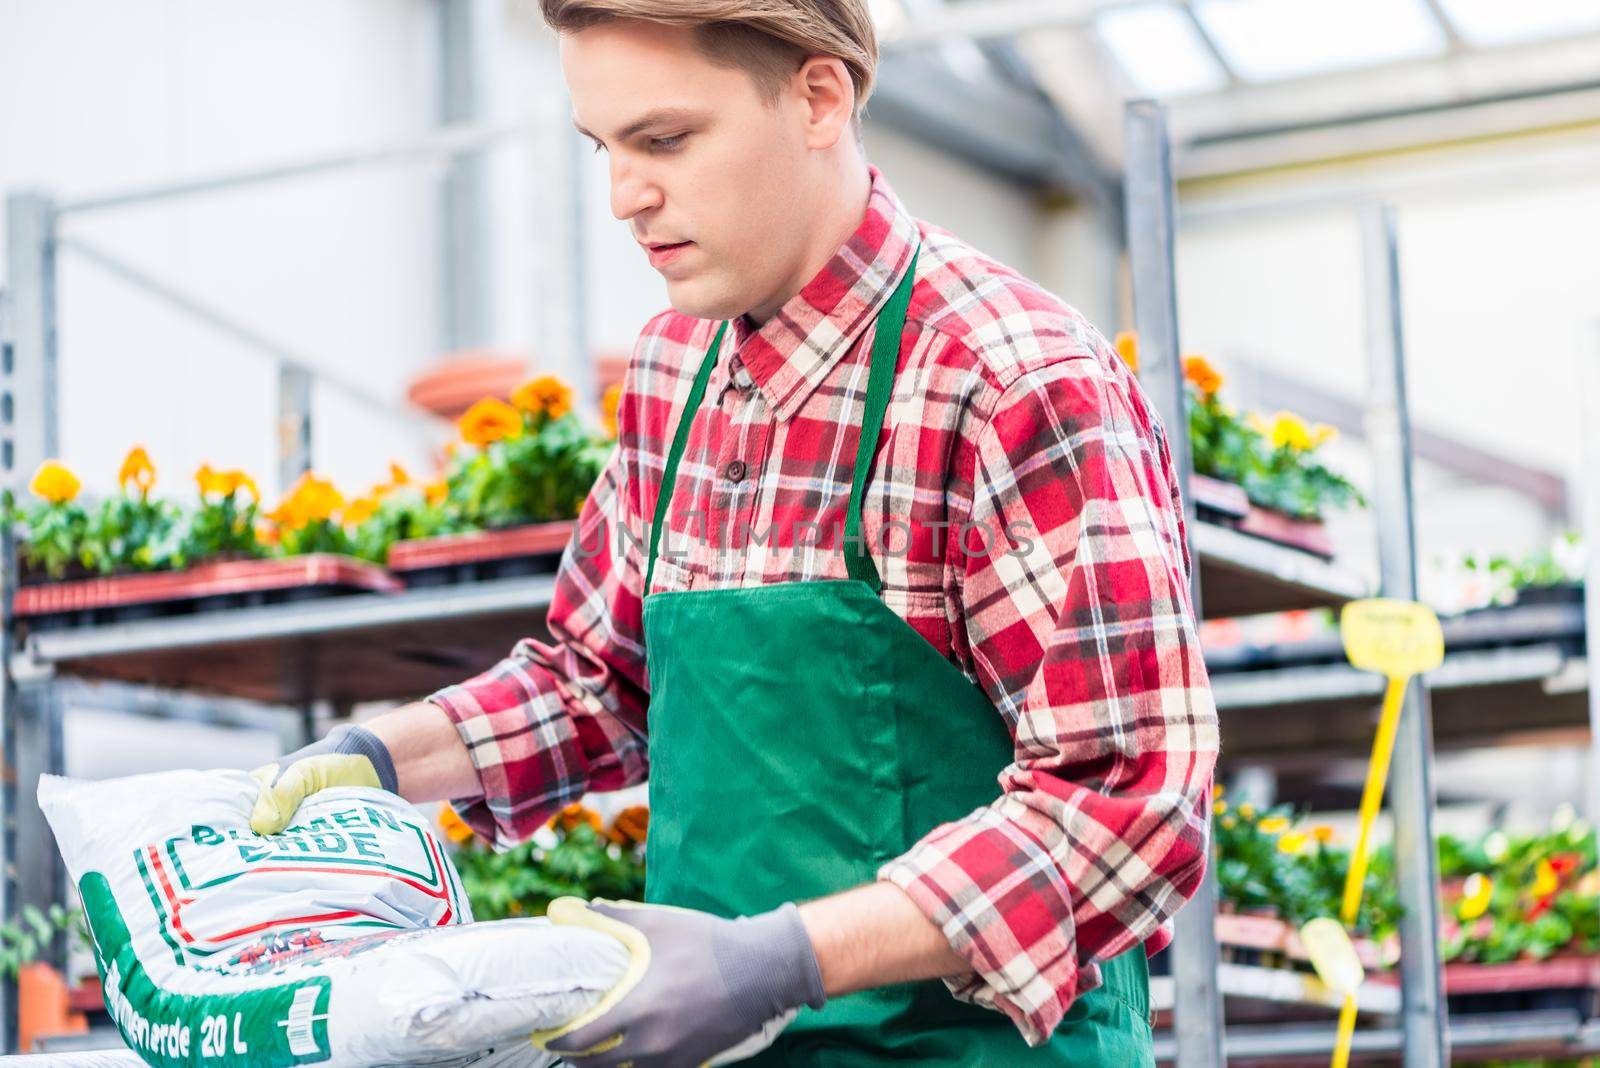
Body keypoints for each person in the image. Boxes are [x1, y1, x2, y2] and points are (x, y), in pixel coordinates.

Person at [249, 2, 1219, 1065]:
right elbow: (601, 683)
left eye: (664, 139)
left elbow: (1128, 801)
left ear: (817, 98)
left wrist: (783, 961)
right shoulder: (674, 369)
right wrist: (380, 755)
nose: (626, 197)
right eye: (604, 148)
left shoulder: (1008, 378)